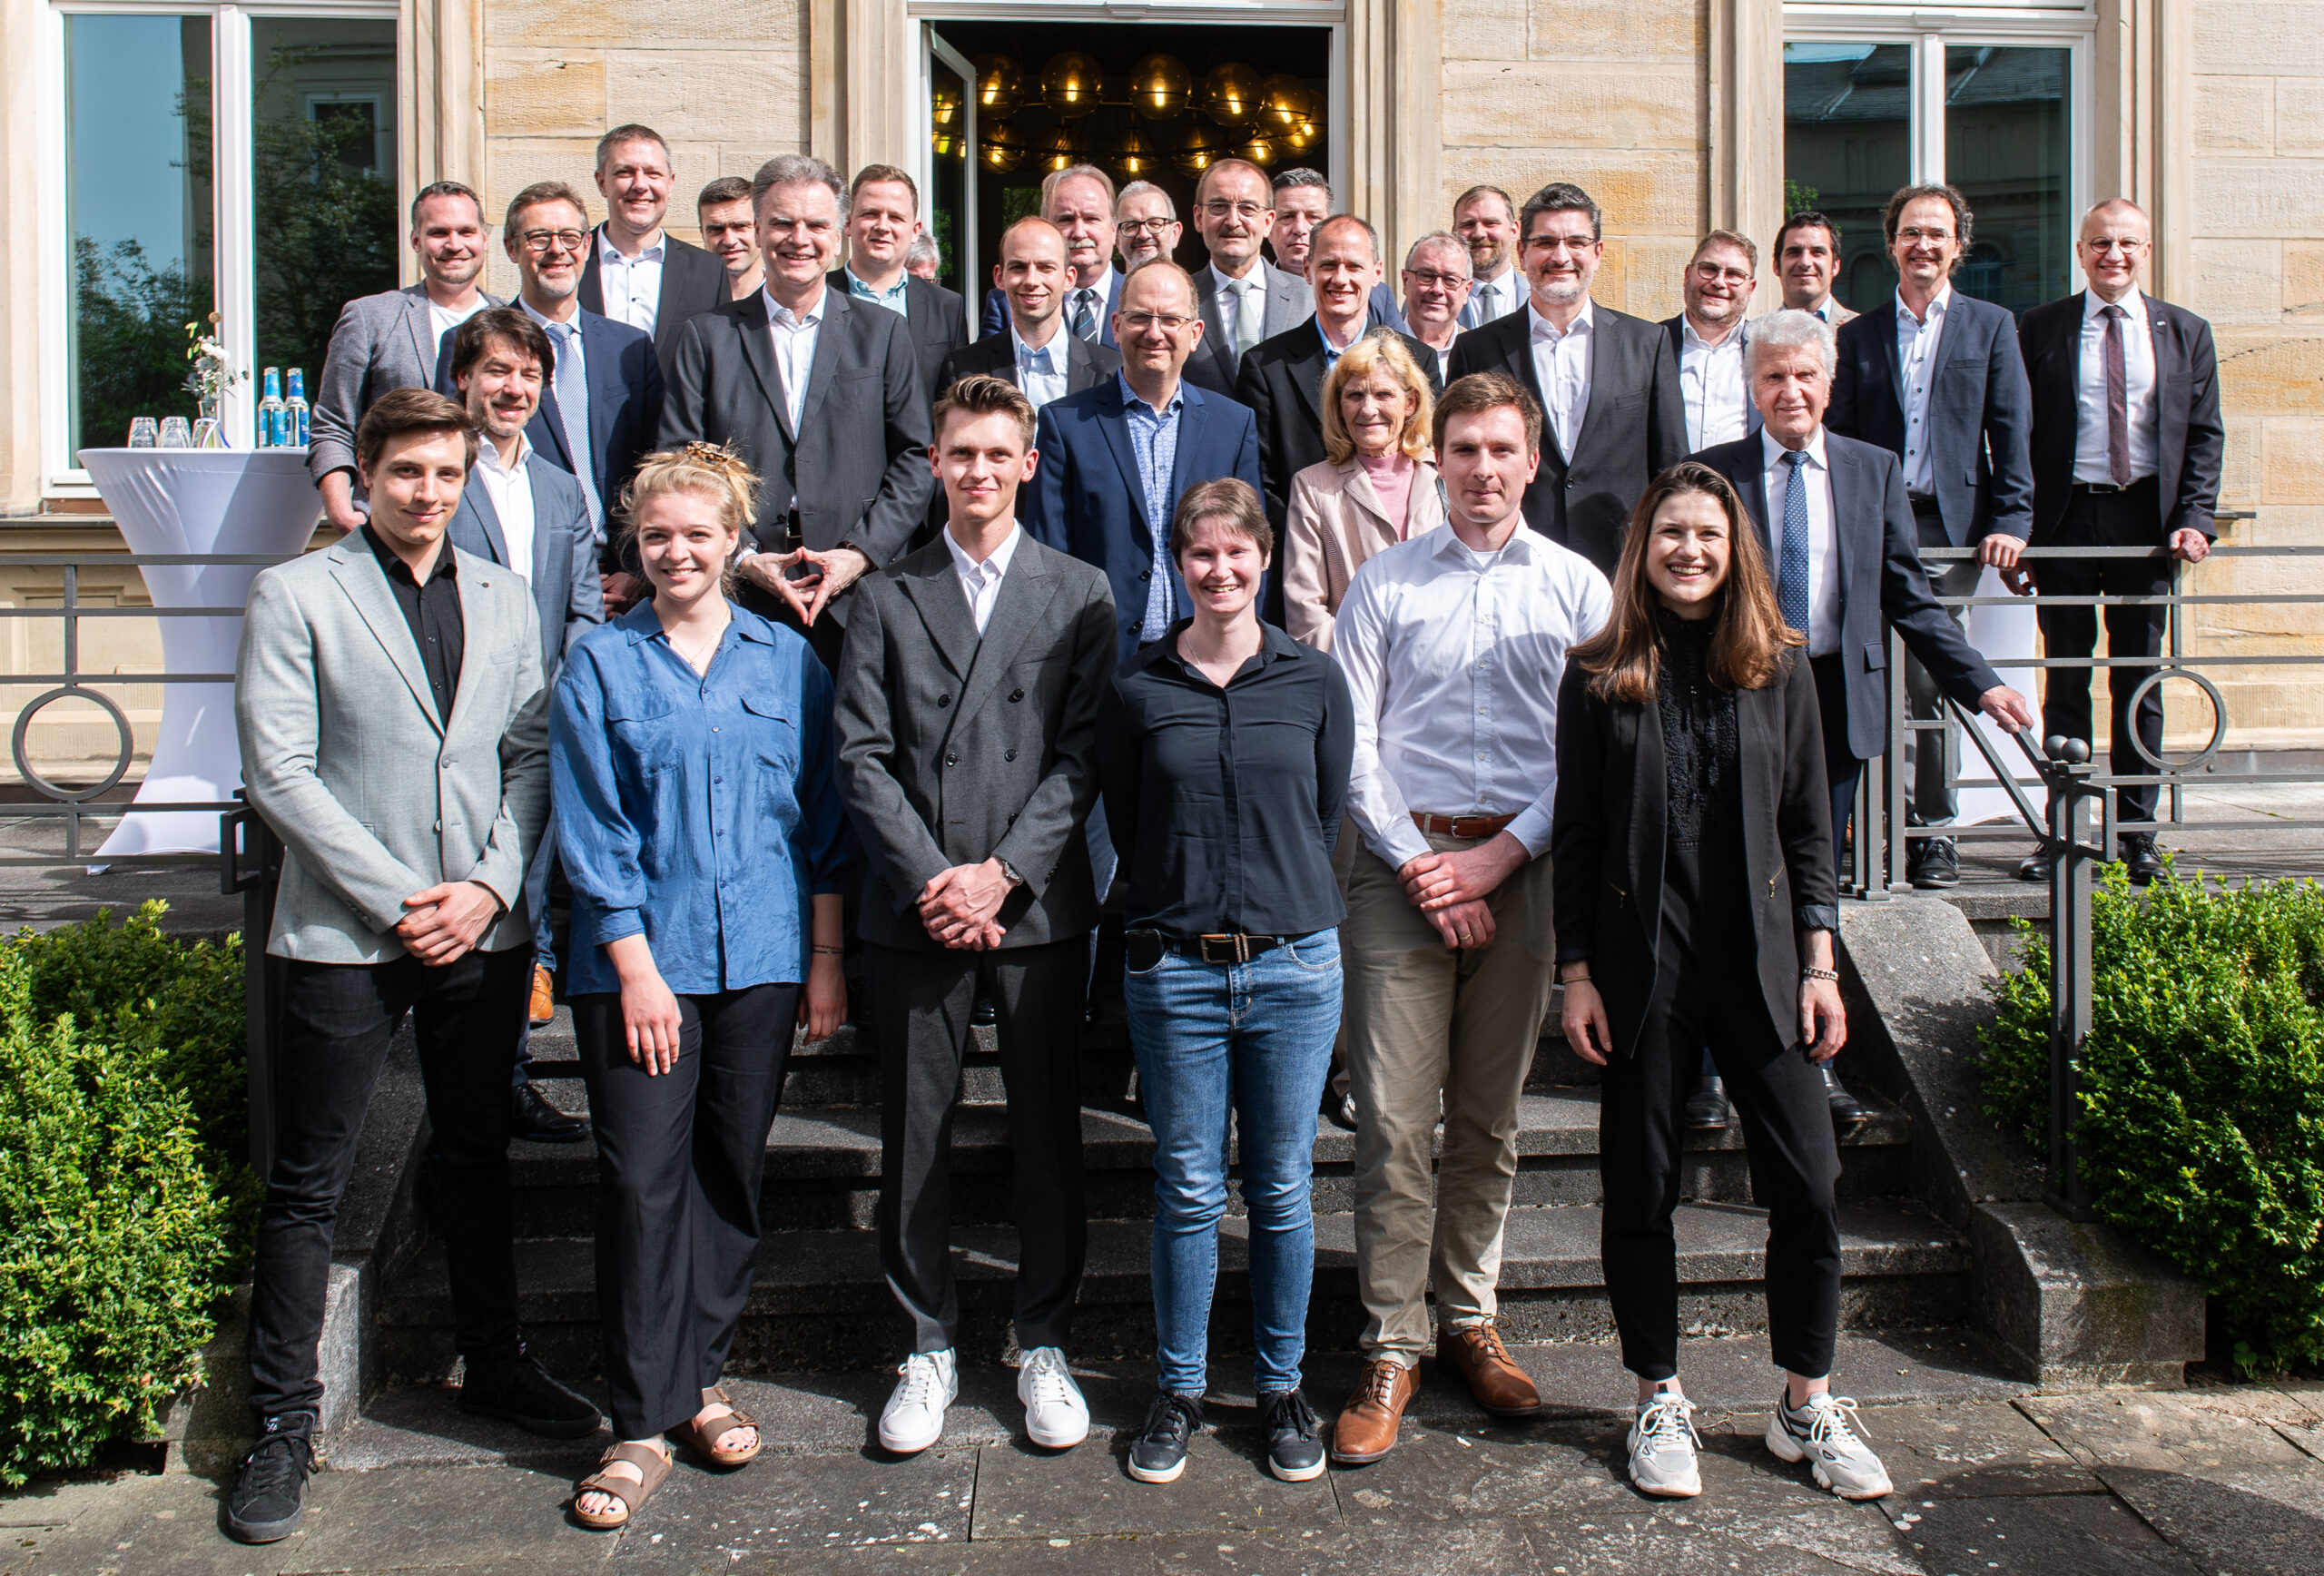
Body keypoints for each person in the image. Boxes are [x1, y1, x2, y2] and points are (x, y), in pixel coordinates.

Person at [226, 389, 596, 1544]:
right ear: (367, 476)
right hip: (346, 931)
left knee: (478, 1156)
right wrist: (401, 900)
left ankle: (493, 1360)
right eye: (406, 473)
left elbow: (531, 752)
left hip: (480, 931)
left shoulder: (499, 594)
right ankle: (280, 1420)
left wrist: (487, 886)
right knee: (309, 1183)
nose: (428, 492)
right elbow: (281, 774)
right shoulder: (298, 592)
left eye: (445, 473)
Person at [1550, 461, 1894, 1507]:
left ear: (1732, 545)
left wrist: (1822, 961)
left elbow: (1806, 825)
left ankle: (1805, 1398)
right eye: (1669, 534)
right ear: (1641, 548)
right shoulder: (1598, 668)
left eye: (1705, 533)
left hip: (1763, 963)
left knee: (1808, 1179)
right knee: (1641, 1184)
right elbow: (1576, 834)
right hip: (1642, 964)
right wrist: (1574, 972)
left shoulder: (1778, 665)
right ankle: (1659, 1392)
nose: (1687, 550)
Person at [553, 444, 849, 1531]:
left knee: (730, 1169)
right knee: (641, 1180)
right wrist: (635, 966)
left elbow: (821, 820)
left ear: (735, 543)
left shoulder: (787, 661)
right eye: (657, 535)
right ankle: (637, 1419)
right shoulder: (599, 664)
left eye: (697, 533)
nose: (676, 552)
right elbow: (590, 828)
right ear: (635, 542)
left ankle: (700, 1380)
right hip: (640, 965)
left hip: (765, 956)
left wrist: (824, 961)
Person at [1327, 371, 1611, 1464]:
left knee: (1489, 1120)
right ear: (1432, 456)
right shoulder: (1384, 584)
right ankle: (1391, 1340)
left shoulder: (1580, 588)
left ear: (1530, 462)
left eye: (1502, 450)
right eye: (1463, 450)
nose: (1482, 470)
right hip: (1400, 873)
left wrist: (1496, 857)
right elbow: (1351, 738)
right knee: (1395, 1122)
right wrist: (1420, 864)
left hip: (1527, 866)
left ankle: (1468, 1317)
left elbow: (1588, 752)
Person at [834, 375, 1117, 1456]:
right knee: (914, 1137)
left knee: (1047, 1131)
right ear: (937, 463)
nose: (979, 471)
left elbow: (1085, 752)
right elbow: (859, 756)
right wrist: (936, 878)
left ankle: (1040, 1335)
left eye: (998, 454)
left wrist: (1001, 873)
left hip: (1035, 908)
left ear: (1029, 463)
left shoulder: (1079, 590)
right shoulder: (886, 592)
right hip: (916, 911)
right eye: (960, 453)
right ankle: (926, 1342)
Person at [1690, 310, 2032, 1132]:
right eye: (1773, 376)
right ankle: (1706, 1074)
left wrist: (1980, 683)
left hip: (1837, 710)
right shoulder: (1711, 474)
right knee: (1720, 885)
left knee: (1814, 888)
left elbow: (1909, 597)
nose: (1790, 391)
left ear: (1830, 381)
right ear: (1752, 384)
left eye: (1805, 375)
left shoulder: (1871, 469)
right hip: (1736, 701)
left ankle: (1817, 1070)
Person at [1099, 478, 1354, 1487]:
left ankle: (1284, 1386)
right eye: (1199, 554)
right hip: (1175, 971)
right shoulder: (1138, 686)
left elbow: (1326, 810)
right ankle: (1180, 1386)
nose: (1219, 570)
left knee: (1284, 1185)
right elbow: (1128, 818)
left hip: (1295, 967)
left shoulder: (1313, 678)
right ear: (1179, 562)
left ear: (1262, 556)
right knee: (1190, 1185)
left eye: (1235, 552)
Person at [1027, 258, 1263, 922]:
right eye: (1139, 317)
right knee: (1093, 852)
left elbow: (1248, 553)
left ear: (1194, 331)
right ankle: (1086, 1005)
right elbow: (1047, 556)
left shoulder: (1233, 423)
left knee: (1192, 844)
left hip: (1202, 670)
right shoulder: (1066, 422)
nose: (1152, 331)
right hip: (1101, 670)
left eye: (1168, 320)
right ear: (1115, 324)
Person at [1828, 182, 2034, 889]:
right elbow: (1842, 439)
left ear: (1958, 245)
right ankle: (1863, 825)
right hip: (1870, 522)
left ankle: (1932, 832)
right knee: (1864, 670)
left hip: (1951, 530)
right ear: (1891, 243)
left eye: (1936, 233)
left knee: (1931, 680)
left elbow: (2011, 433)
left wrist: (2011, 521)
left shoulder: (1991, 326)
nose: (1923, 245)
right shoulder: (1857, 336)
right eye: (1910, 232)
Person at [2014, 199, 2223, 886]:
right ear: (2081, 251)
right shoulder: (2039, 329)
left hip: (2147, 527)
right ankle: (2065, 832)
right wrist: (2017, 528)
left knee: (2140, 682)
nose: (2114, 255)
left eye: (2127, 243)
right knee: (2065, 682)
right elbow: (2012, 435)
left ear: (2146, 250)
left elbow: (2204, 436)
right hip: (2067, 522)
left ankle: (2138, 834)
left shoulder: (2186, 333)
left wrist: (2194, 515)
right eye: (2100, 243)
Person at [658, 154, 932, 670]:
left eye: (815, 224)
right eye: (783, 222)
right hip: (739, 598)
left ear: (840, 233)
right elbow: (679, 460)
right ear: (758, 229)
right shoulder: (707, 336)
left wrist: (859, 555)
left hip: (857, 599)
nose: (798, 238)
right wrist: (741, 556)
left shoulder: (883, 333)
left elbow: (917, 456)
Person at [447, 307, 606, 1140]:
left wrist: (564, 697)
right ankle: (470, 1085)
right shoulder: (441, 477)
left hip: (537, 721)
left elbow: (581, 605)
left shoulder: (557, 486)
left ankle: (507, 1078)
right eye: (498, 372)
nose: (514, 389)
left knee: (524, 899)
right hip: (454, 723)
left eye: (529, 376)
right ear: (464, 379)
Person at [1446, 182, 1686, 575]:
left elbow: (1670, 467)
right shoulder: (1477, 350)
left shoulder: (1648, 343)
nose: (1561, 256)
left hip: (1623, 566)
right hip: (1512, 561)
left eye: (1576, 242)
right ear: (1522, 252)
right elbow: (1459, 461)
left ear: (1598, 252)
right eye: (1545, 242)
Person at [1237, 216, 1441, 564]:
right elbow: (1260, 478)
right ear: (1307, 269)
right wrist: (1309, 540)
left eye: (1354, 266)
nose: (1340, 279)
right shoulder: (1265, 366)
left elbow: (1429, 459)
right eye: (1328, 265)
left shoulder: (1419, 360)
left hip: (1406, 554)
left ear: (1377, 273)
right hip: (1301, 558)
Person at [487, 182, 665, 569]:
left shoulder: (630, 347)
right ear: (510, 248)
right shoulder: (477, 345)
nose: (557, 249)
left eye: (569, 237)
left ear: (586, 246)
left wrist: (636, 571)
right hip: (529, 566)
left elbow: (654, 464)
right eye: (538, 237)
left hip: (623, 571)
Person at [310, 182, 500, 533]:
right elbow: (333, 424)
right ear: (416, 241)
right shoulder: (371, 318)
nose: (454, 244)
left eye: (466, 231)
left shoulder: (512, 322)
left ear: (484, 238)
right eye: (438, 233)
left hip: (495, 522)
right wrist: (340, 511)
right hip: (396, 519)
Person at [1283, 333, 1443, 652]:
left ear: (1410, 402)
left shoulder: (1444, 475)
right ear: (1339, 406)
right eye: (1355, 395)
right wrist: (1369, 664)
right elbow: (1305, 613)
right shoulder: (1312, 487)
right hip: (1353, 674)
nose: (1369, 410)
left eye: (1384, 394)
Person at [937, 218, 1122, 416]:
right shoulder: (963, 369)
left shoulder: (1112, 371)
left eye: (1045, 268)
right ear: (999, 277)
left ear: (1069, 278)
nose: (1032, 280)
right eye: (1018, 267)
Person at [579, 125, 727, 366]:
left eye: (652, 173)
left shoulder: (709, 272)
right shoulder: (572, 263)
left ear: (670, 182)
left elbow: (720, 364)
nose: (640, 185)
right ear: (602, 182)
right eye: (625, 172)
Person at [835, 163, 968, 408]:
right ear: (847, 222)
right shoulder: (817, 295)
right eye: (870, 214)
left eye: (895, 217)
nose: (882, 226)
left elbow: (954, 403)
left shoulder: (947, 307)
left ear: (915, 230)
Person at [1184, 159, 1312, 397]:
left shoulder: (1308, 298)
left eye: (1248, 209)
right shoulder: (1179, 298)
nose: (1233, 221)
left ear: (1268, 222)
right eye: (1219, 207)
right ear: (1198, 217)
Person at [981, 164, 1122, 349]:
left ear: (1114, 230)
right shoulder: (1005, 301)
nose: (1079, 233)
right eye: (1066, 219)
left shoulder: (1140, 298)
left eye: (1091, 219)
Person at [1267, 166, 1407, 330]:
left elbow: (1400, 353)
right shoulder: (1256, 292)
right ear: (1269, 226)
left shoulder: (1377, 294)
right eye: (1287, 217)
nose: (1300, 229)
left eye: (1313, 217)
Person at [1664, 231, 1760, 452]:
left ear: (1751, 288)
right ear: (1688, 274)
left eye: (1734, 274)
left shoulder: (1767, 350)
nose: (1719, 282)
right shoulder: (1650, 344)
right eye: (1709, 269)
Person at [1453, 184, 1524, 329]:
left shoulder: (1539, 298)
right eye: (1468, 224)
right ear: (1454, 233)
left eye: (1490, 223)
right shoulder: (1432, 301)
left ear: (1514, 230)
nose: (1479, 233)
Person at [1400, 231, 1472, 361]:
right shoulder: (1376, 347)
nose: (1437, 289)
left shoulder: (1479, 354)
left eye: (1450, 280)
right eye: (1426, 276)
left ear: (1467, 290)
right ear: (1405, 281)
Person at [1776, 212, 1856, 325]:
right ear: (1776, 266)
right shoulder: (1754, 335)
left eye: (1817, 252)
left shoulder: (1864, 333)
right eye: (1794, 252)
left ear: (1835, 265)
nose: (1805, 262)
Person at [697, 177, 765, 303]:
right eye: (717, 229)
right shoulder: (685, 300)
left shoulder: (790, 297)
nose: (729, 241)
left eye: (740, 226)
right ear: (703, 234)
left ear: (760, 230)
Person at [1114, 181, 1183, 271]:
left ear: (1175, 234)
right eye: (1131, 226)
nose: (1143, 235)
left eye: (1154, 223)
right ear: (1117, 240)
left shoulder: (1196, 286)